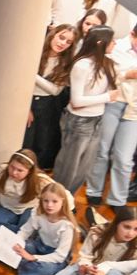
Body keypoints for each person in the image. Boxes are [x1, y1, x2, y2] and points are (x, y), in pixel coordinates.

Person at [54, 26, 121, 196]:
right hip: (78, 121)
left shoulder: (107, 63)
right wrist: (107, 97)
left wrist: (109, 95)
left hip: (97, 119)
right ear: (100, 43)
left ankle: (69, 200)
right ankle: (58, 200)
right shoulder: (82, 65)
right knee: (68, 167)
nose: (115, 43)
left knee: (84, 167)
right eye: (111, 40)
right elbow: (76, 101)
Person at [45, 208, 137, 275]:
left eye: (136, 229)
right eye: (126, 227)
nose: (131, 233)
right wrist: (86, 267)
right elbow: (85, 256)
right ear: (117, 223)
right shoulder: (98, 231)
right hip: (84, 269)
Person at [86, 23, 137, 214]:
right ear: (132, 34)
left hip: (134, 111)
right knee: (102, 150)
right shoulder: (116, 47)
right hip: (112, 104)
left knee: (124, 158)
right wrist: (127, 75)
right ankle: (94, 190)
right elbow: (105, 75)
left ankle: (118, 199)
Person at [25, 23, 76, 169]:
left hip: (47, 105)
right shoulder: (35, 52)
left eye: (68, 42)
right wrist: (26, 107)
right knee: (25, 142)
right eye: (61, 37)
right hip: (26, 100)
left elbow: (55, 90)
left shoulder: (66, 63)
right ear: (53, 34)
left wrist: (31, 73)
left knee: (41, 144)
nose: (63, 43)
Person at [8, 181, 76, 275]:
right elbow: (25, 231)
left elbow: (60, 256)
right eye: (46, 201)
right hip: (39, 245)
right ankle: (29, 273)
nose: (49, 205)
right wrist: (17, 243)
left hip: (55, 256)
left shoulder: (66, 225)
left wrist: (33, 257)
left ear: (63, 202)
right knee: (22, 247)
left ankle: (21, 266)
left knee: (46, 269)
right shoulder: (38, 213)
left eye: (55, 201)